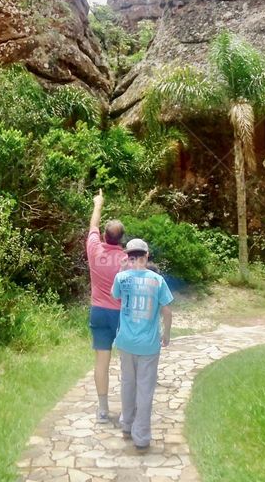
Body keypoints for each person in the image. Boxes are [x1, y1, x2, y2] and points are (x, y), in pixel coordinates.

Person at [111, 238, 173, 450]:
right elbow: (166, 309)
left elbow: (116, 296)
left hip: (126, 342)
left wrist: (122, 269)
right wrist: (167, 334)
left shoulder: (121, 277)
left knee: (128, 383)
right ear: (146, 257)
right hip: (148, 344)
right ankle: (142, 436)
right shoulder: (157, 280)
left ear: (129, 257)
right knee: (145, 389)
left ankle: (127, 423)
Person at [85, 190, 127, 422]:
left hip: (99, 312)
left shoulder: (94, 249)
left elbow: (92, 225)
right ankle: (125, 411)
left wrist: (98, 203)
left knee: (101, 362)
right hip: (121, 315)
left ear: (104, 236)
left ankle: (102, 410)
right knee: (125, 362)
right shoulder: (126, 259)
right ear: (121, 240)